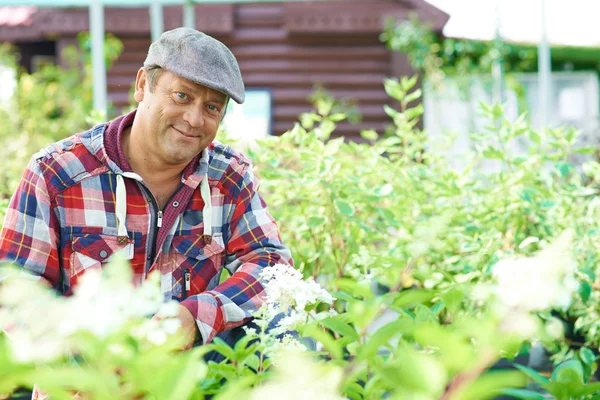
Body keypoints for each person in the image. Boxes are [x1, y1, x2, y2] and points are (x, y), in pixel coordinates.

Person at [0, 27, 292, 350]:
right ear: (142, 85)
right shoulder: (56, 173)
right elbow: (14, 288)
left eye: (212, 107)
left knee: (291, 333)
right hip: (84, 385)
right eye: (182, 96)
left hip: (183, 385)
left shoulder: (229, 178)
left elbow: (271, 266)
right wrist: (85, 354)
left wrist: (198, 316)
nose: (195, 119)